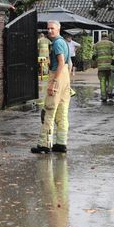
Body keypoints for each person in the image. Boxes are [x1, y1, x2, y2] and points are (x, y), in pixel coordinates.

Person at [32, 21, 71, 154]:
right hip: (65, 78)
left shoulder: (57, 43)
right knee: (62, 113)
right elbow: (68, 64)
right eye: (48, 28)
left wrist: (54, 82)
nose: (49, 31)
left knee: (49, 110)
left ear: (58, 29)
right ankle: (61, 143)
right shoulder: (64, 42)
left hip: (57, 76)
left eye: (52, 28)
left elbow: (60, 63)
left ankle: (44, 144)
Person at [93, 31, 114, 104]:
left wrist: (96, 62)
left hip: (101, 66)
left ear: (101, 37)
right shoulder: (111, 44)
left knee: (102, 81)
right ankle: (109, 92)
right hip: (110, 66)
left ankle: (103, 97)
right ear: (107, 37)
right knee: (110, 80)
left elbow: (94, 55)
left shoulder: (97, 44)